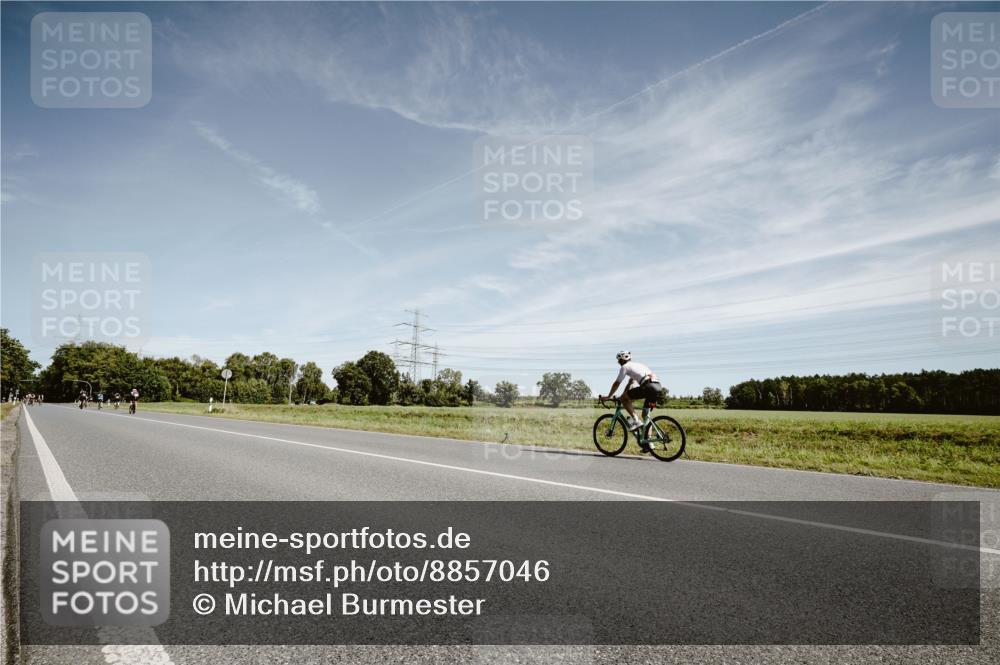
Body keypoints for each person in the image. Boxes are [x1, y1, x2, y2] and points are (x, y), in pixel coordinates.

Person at [600, 350, 663, 439]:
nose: (618, 362)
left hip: (648, 386)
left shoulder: (625, 367)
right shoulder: (638, 365)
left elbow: (617, 383)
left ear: (622, 360)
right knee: (646, 416)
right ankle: (647, 442)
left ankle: (636, 420)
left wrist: (609, 396)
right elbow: (630, 384)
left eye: (619, 360)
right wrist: (623, 396)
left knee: (625, 399)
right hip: (657, 387)